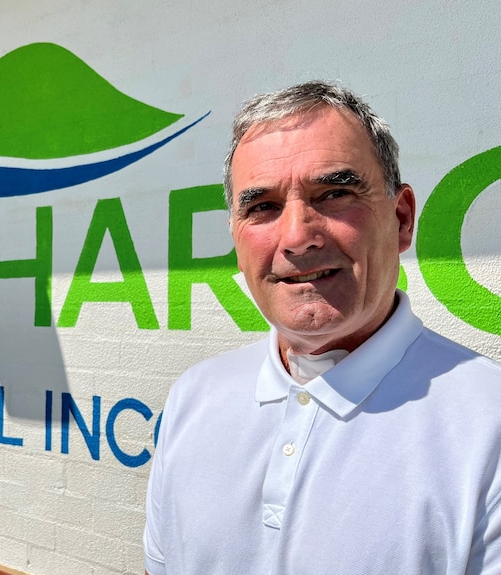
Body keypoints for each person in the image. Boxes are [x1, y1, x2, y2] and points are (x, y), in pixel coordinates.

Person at [144, 81, 501, 574]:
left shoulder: (489, 424)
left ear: (401, 219)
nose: (297, 238)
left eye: (334, 193)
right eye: (262, 207)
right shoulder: (193, 396)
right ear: (235, 235)